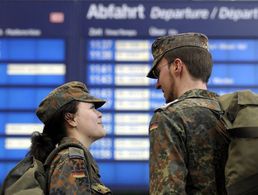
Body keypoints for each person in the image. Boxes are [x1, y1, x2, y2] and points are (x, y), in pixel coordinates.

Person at [147, 33, 229, 194]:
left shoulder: (170, 118)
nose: (157, 84)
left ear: (177, 66)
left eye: (158, 73)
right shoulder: (231, 112)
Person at [30, 81, 112, 194]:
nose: (99, 114)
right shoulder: (71, 160)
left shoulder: (73, 158)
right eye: (92, 108)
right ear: (71, 119)